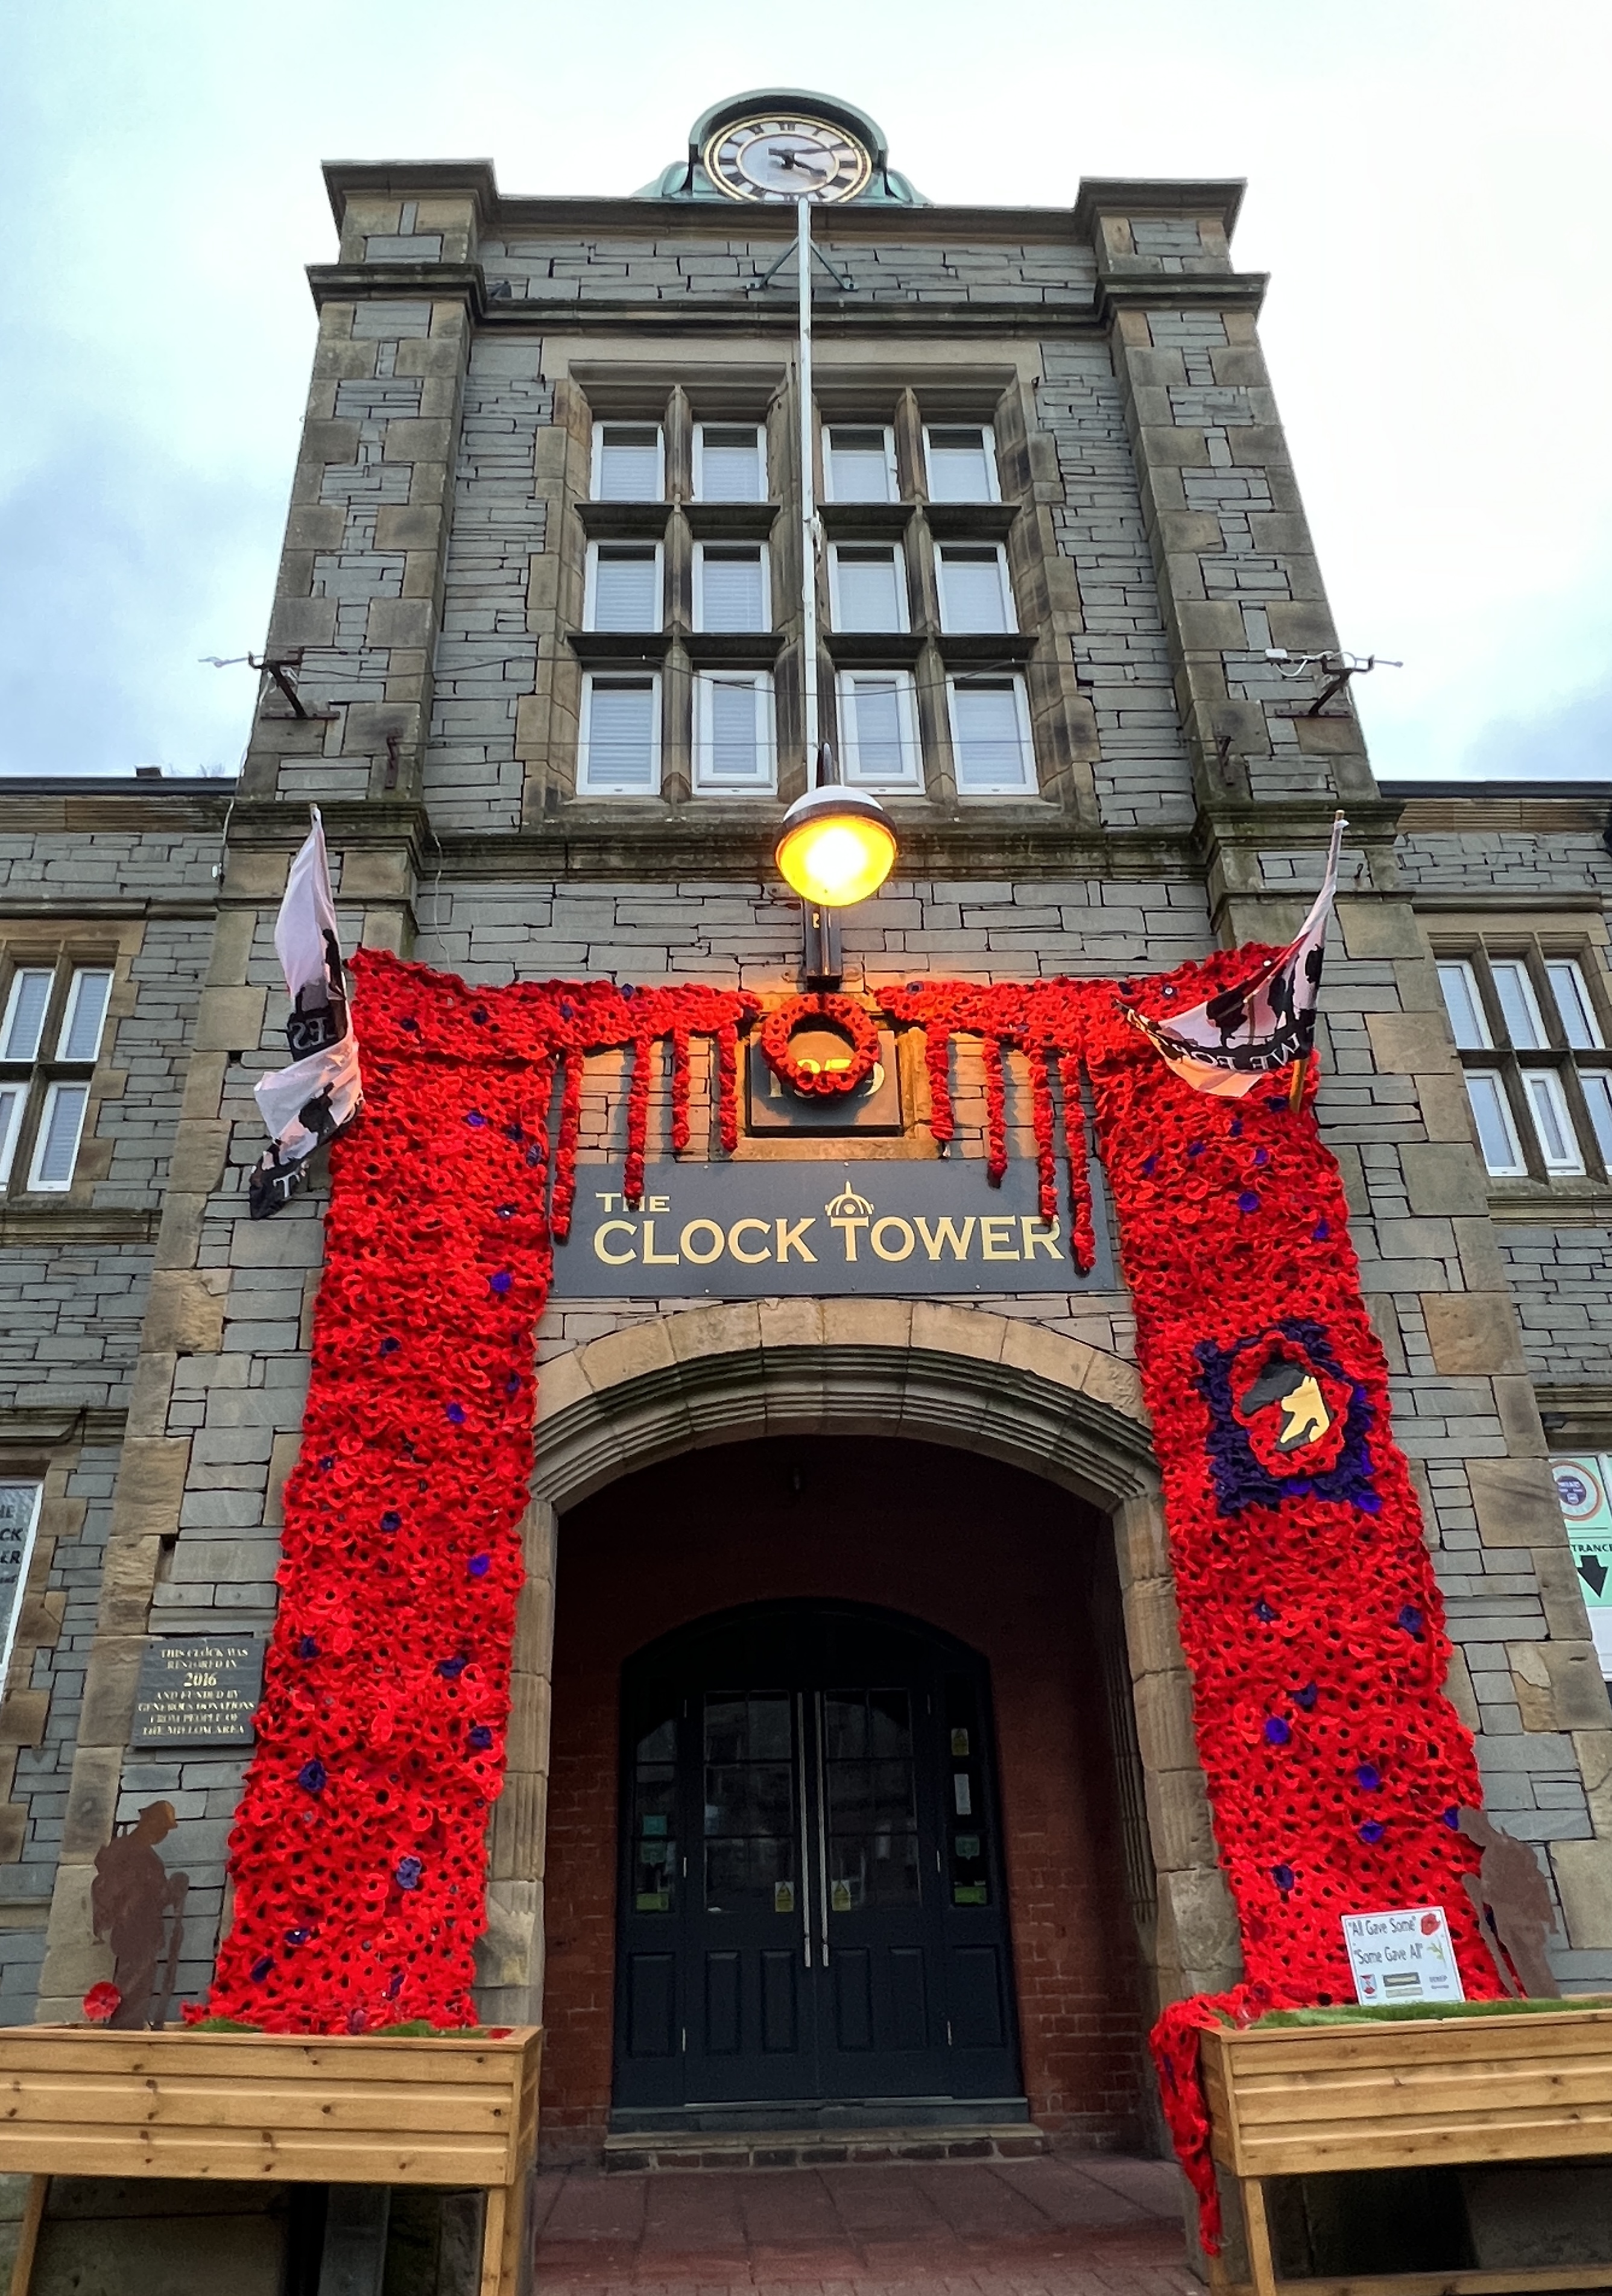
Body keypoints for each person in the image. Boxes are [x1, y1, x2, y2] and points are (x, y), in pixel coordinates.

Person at [90, 1801, 189, 2030]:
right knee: (134, 1977)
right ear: (151, 1823)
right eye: (163, 1829)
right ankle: (124, 2025)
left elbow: (158, 1896)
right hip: (132, 1928)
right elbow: (111, 1887)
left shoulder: (151, 1860)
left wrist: (174, 1891)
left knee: (142, 1979)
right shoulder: (126, 1851)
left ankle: (131, 2024)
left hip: (146, 1930)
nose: (163, 1835)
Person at [1458, 1806, 1561, 1998]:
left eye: (1472, 1833)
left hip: (1518, 1915)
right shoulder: (1504, 1848)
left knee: (1532, 1961)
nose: (1472, 1839)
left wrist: (1481, 1891)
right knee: (1526, 1962)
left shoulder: (1501, 1852)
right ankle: (1543, 2000)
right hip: (1510, 1917)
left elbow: (1516, 1884)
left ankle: (1548, 2000)